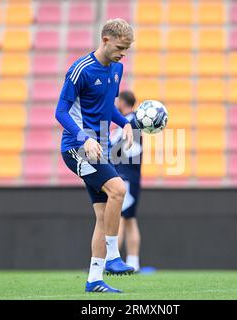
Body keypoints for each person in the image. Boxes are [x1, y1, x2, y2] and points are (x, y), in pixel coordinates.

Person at [55, 19, 135, 293]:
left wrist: (124, 122)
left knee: (103, 216)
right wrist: (85, 138)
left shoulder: (117, 68)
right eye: (120, 47)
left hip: (98, 148)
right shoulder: (80, 70)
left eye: (127, 49)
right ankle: (113, 256)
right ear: (105, 39)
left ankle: (94, 280)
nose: (123, 53)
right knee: (118, 189)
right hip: (76, 148)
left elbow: (106, 108)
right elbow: (61, 113)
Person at [110, 91, 142, 273]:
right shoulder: (129, 123)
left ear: (122, 102)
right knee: (129, 219)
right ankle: (133, 262)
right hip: (130, 177)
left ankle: (112, 260)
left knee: (119, 218)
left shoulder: (131, 123)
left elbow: (123, 152)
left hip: (126, 177)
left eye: (118, 102)